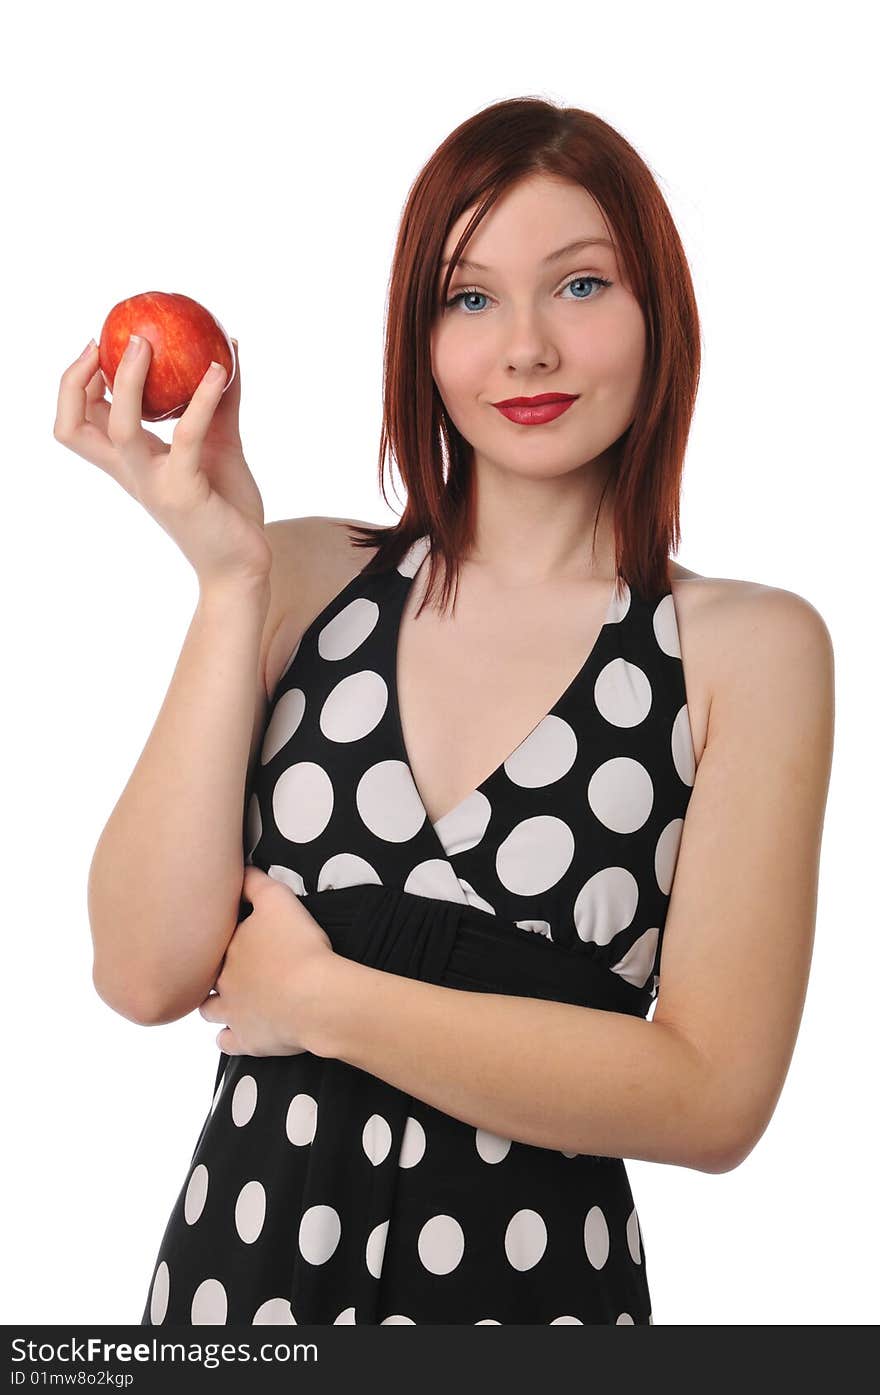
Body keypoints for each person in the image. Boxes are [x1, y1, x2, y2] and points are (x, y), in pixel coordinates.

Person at [55, 97, 834, 1326]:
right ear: (417, 338)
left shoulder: (746, 649)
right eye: (468, 299)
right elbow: (142, 973)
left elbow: (712, 1099)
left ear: (658, 317)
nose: (525, 349)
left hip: (534, 1304)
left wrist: (319, 1003)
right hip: (240, 1298)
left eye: (579, 288)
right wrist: (225, 582)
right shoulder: (296, 576)